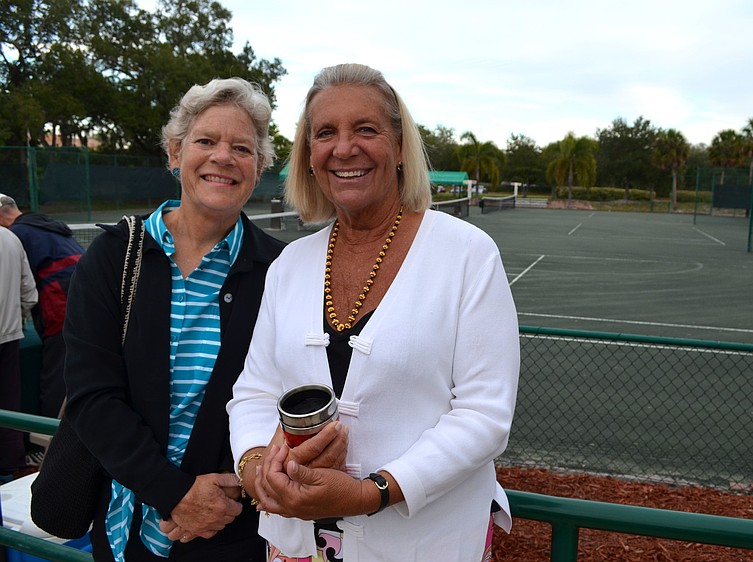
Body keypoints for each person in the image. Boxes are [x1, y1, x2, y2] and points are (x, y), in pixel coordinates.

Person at [227, 63, 520, 561]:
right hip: (299, 545)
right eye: (325, 133)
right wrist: (257, 469)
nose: (344, 148)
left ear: (400, 147)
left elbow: (484, 413)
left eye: (366, 129)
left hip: (426, 544)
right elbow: (254, 391)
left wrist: (374, 492)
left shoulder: (468, 254)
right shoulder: (289, 266)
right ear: (310, 157)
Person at [61, 77, 316, 562]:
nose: (223, 156)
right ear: (175, 153)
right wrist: (174, 493)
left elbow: (284, 394)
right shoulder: (114, 257)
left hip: (230, 530)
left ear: (259, 166)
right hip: (125, 529)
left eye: (242, 147)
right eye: (205, 141)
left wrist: (229, 491)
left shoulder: (281, 271)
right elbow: (93, 396)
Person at [0, 193, 84, 419]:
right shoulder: (45, 223)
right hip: (86, 298)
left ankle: (48, 445)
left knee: (57, 374)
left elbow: (18, 284)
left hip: (60, 306)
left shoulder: (15, 234)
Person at [0, 225, 38, 482]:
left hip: (10, 332)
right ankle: (10, 464)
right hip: (9, 335)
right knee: (8, 400)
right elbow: (30, 293)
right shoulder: (10, 237)